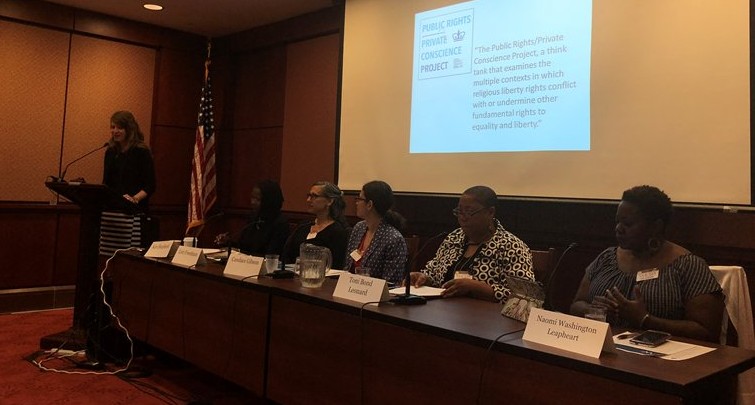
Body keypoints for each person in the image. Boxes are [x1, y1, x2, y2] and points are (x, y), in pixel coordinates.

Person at [570, 185, 724, 342]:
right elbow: (576, 305)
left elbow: (706, 331)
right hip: (604, 349)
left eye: (628, 224)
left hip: (661, 361)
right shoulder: (606, 258)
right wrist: (595, 311)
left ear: (655, 226)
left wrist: (645, 319)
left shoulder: (687, 265)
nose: (619, 229)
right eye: (617, 222)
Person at [409, 186, 534, 302]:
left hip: (487, 320)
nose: (462, 217)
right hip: (445, 314)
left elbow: (524, 297)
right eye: (459, 211)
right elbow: (433, 273)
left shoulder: (512, 246)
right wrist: (423, 278)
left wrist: (477, 288)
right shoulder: (454, 238)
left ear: (490, 212)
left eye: (469, 212)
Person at [100, 111, 156, 254]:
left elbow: (150, 185)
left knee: (128, 257)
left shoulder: (141, 151)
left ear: (129, 129)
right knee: (108, 259)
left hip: (133, 214)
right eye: (112, 127)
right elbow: (106, 183)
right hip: (111, 215)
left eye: (119, 127)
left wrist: (134, 199)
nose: (115, 131)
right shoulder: (111, 151)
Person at [343, 180, 408, 285]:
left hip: (376, 297)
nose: (356, 203)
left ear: (369, 204)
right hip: (351, 289)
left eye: (359, 199)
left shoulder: (394, 239)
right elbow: (347, 267)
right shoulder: (358, 228)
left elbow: (391, 283)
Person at [283, 181, 350, 269]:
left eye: (314, 196)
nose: (308, 200)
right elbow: (286, 255)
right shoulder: (303, 227)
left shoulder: (338, 232)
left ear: (329, 201)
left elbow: (336, 265)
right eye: (309, 195)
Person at [214, 180, 289, 257]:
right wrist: (228, 242)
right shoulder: (254, 218)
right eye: (252, 197)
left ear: (269, 201)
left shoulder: (280, 224)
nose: (252, 202)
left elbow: (271, 255)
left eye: (258, 199)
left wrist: (242, 254)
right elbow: (243, 247)